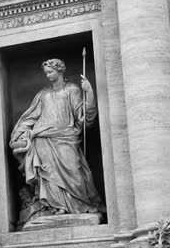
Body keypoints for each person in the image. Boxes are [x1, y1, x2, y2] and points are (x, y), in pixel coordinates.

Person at [9, 58, 103, 223]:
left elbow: (83, 117)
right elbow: (31, 116)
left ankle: (81, 204)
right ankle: (56, 206)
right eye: (46, 73)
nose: (48, 75)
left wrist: (89, 93)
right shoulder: (43, 95)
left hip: (66, 136)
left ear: (60, 71)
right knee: (48, 173)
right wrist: (21, 133)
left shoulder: (72, 90)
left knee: (74, 171)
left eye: (50, 72)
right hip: (44, 138)